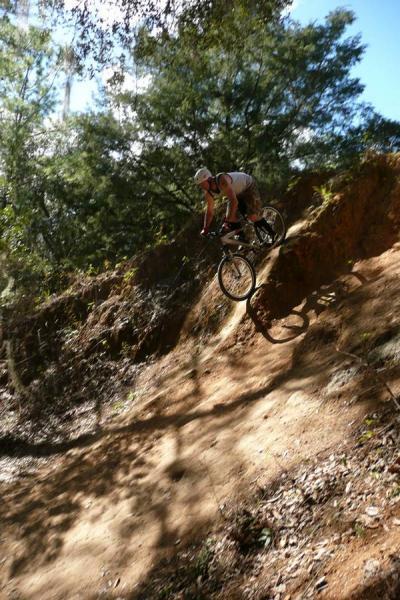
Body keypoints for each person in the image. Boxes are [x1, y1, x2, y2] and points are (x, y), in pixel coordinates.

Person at [194, 168, 275, 243]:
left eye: (202, 184)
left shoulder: (221, 179)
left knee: (251, 216)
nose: (201, 187)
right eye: (200, 185)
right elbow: (209, 211)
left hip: (248, 187)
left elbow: (234, 202)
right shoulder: (208, 193)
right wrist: (205, 228)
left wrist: (227, 221)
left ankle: (272, 234)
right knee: (231, 219)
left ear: (208, 179)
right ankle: (244, 240)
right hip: (236, 195)